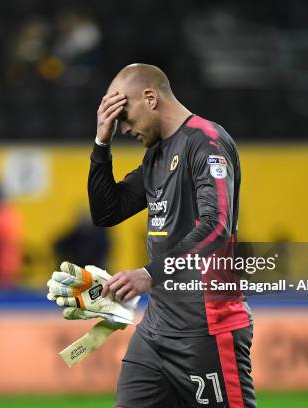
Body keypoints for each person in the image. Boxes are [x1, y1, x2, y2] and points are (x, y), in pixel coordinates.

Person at [88, 64, 255, 407]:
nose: (124, 128)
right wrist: (101, 142)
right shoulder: (157, 157)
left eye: (126, 117)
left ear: (150, 98)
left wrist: (149, 274)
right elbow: (107, 212)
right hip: (156, 331)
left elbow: (216, 227)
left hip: (207, 329)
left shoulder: (206, 142)